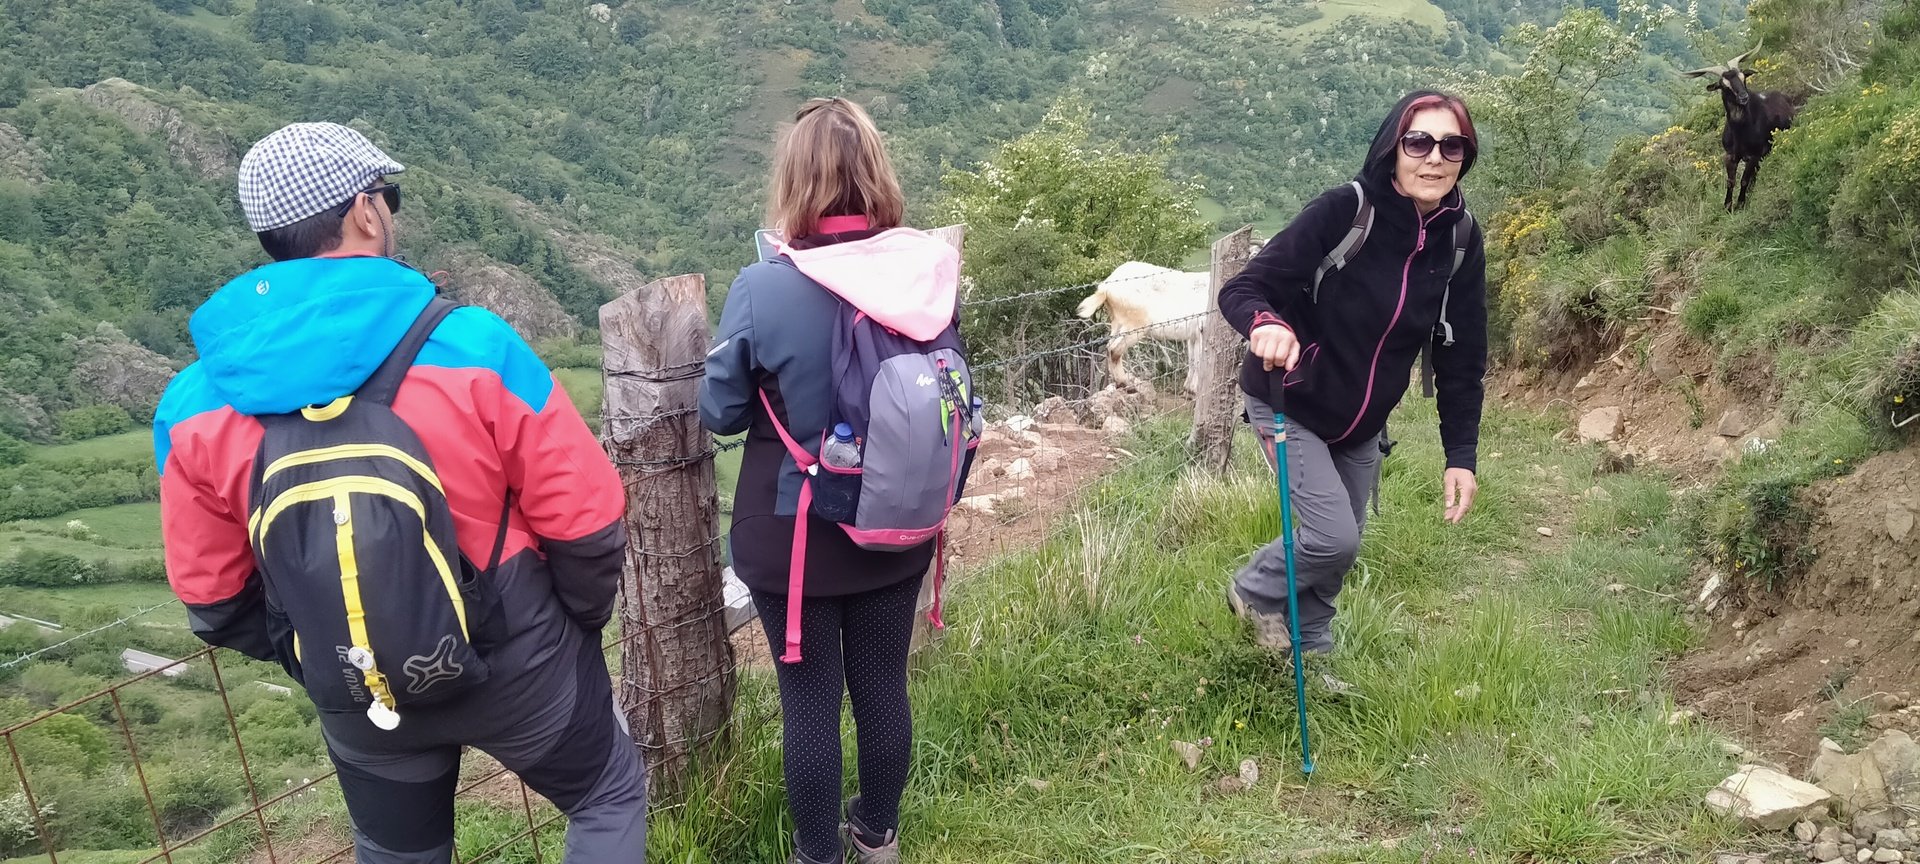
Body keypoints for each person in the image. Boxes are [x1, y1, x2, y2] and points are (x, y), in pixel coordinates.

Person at [153, 122, 647, 864]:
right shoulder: (473, 345)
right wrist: (567, 627)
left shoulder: (192, 407)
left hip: (358, 688)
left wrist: (318, 642)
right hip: (518, 659)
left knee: (396, 852)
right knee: (607, 797)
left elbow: (213, 600)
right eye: (388, 196)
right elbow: (588, 521)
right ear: (364, 211)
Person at [701, 97, 963, 864]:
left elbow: (719, 411)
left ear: (794, 183)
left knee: (809, 704)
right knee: (883, 686)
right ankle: (877, 834)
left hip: (796, 538)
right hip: (898, 521)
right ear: (877, 174)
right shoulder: (925, 275)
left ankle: (817, 855)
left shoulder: (765, 287)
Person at [1218, 90, 1488, 673]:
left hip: (1363, 423)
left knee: (1341, 548)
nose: (1434, 157)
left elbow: (1463, 356)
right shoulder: (1346, 211)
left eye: (1452, 146)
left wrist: (1460, 456)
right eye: (1418, 142)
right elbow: (1244, 288)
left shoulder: (1461, 239)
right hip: (1290, 400)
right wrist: (1265, 324)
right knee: (1332, 537)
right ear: (1393, 147)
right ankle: (1254, 590)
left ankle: (1311, 656)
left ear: (1465, 157)